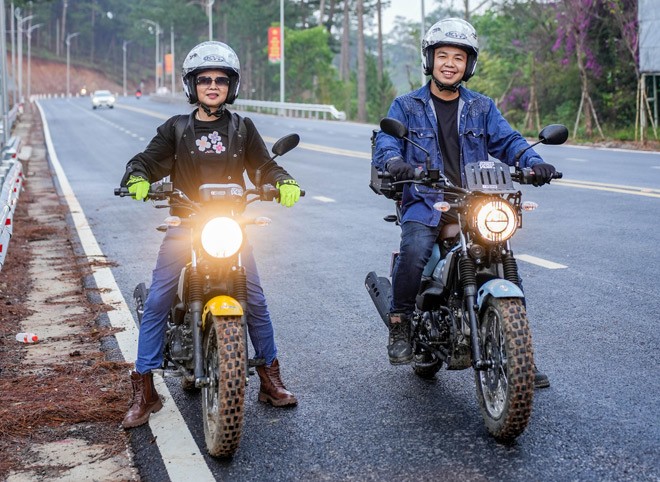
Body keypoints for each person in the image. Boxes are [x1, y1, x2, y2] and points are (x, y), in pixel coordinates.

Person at [120, 41, 302, 429]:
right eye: (205, 79)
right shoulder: (176, 128)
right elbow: (146, 161)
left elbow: (265, 166)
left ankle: (270, 377)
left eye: (221, 79)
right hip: (186, 224)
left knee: (254, 298)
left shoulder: (242, 127)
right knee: (157, 299)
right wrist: (137, 177)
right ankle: (144, 388)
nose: (213, 85)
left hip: (231, 226)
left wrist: (282, 182)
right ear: (192, 85)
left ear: (232, 86)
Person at [372, 18, 554, 389]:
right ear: (431, 60)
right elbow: (386, 145)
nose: (450, 63)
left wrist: (533, 163)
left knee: (501, 252)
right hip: (426, 199)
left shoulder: (482, 107)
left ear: (468, 64)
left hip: (475, 199)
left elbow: (510, 142)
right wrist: (396, 163)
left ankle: (518, 351)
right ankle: (401, 323)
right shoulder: (406, 106)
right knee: (416, 247)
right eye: (443, 56)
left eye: (458, 57)